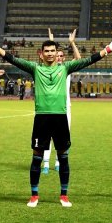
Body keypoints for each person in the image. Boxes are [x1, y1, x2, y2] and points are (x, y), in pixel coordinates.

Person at [0, 33, 112, 208]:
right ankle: (34, 195)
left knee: (63, 157)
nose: (50, 53)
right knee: (37, 158)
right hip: (42, 118)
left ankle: (64, 195)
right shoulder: (35, 68)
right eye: (47, 51)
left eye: (53, 51)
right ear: (41, 54)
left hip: (60, 118)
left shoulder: (65, 68)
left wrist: (108, 49)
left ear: (57, 53)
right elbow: (13, 59)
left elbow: (89, 60)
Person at [42, 28, 81, 174]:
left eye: (60, 55)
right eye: (56, 55)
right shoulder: (46, 68)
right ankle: (46, 164)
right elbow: (46, 56)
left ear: (63, 58)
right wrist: (51, 41)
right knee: (47, 137)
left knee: (63, 137)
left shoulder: (66, 69)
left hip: (65, 107)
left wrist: (72, 43)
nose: (58, 57)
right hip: (49, 107)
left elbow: (79, 59)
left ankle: (58, 162)